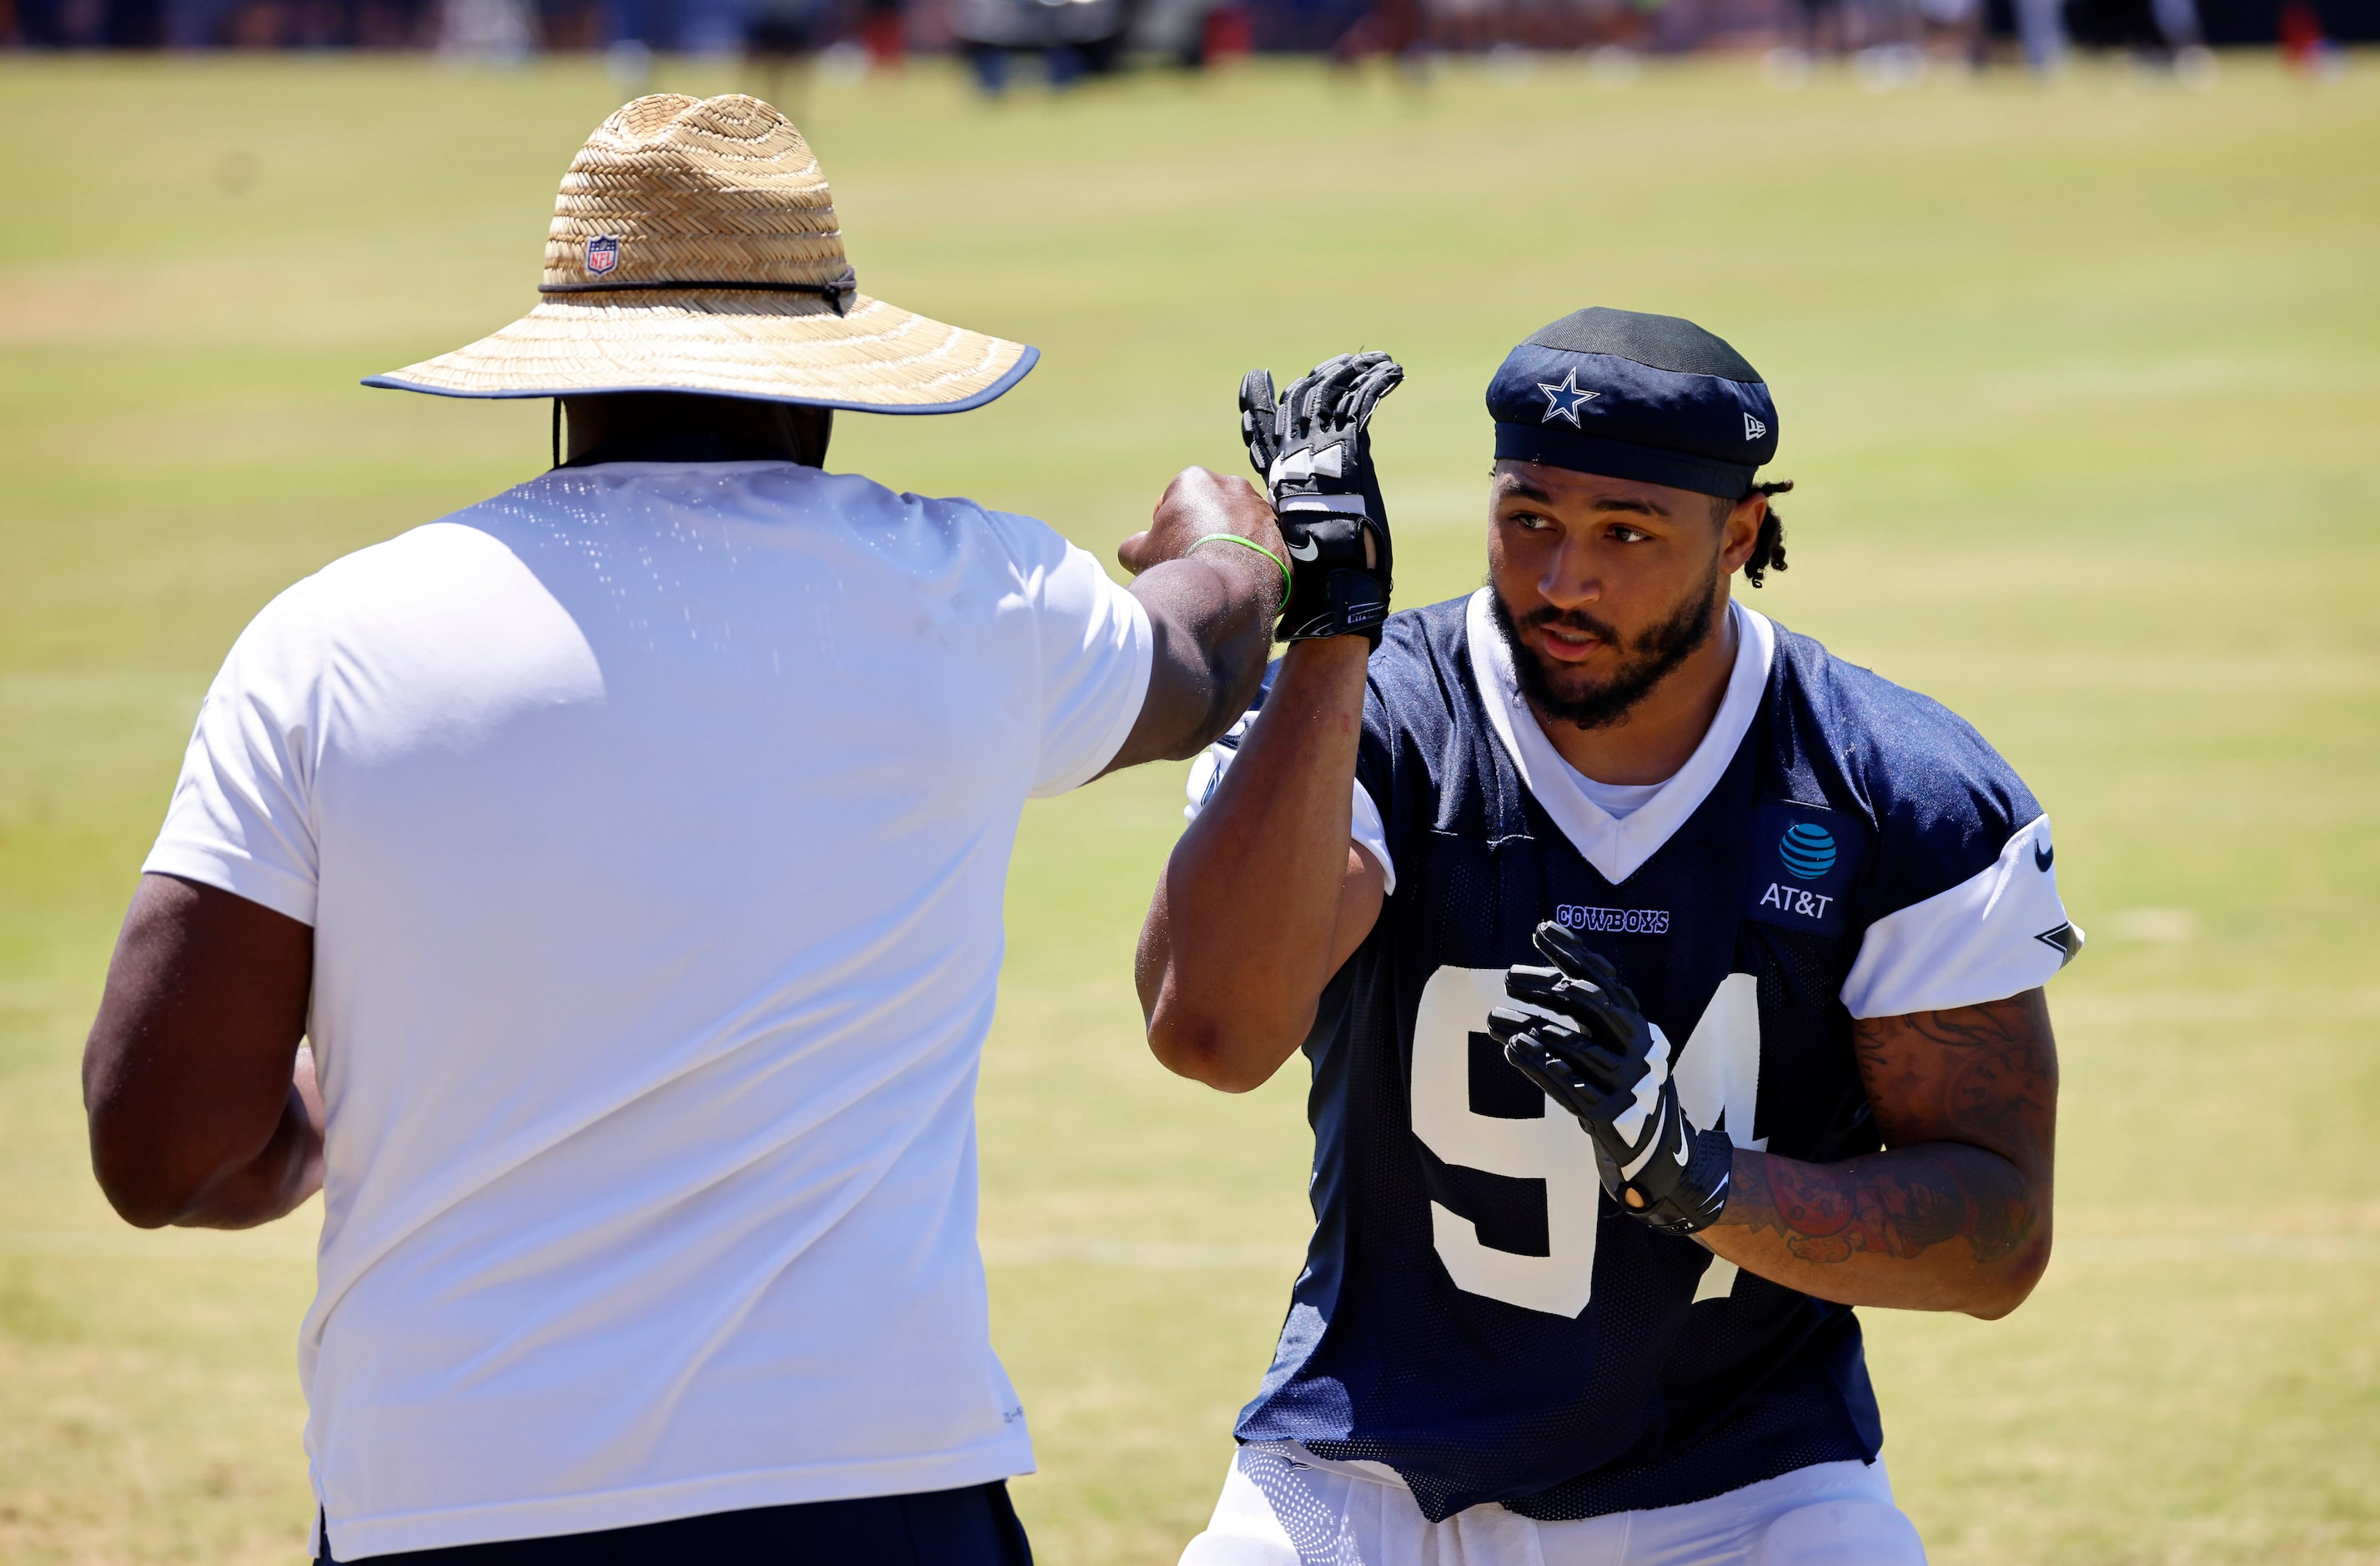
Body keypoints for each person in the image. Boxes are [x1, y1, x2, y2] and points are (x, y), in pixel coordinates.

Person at [80, 93, 1286, 1565]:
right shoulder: (963, 597)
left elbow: (160, 1147)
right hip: (871, 1485)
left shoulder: (329, 637)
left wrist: (332, 1118)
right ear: (828, 379)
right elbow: (1206, 662)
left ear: (562, 382)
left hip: (443, 1494)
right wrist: (1224, 531)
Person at [1141, 309, 2080, 1563]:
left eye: (1624, 533)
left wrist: (1697, 1180)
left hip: (1748, 1484)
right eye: (1527, 517)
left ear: (1739, 534)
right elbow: (1210, 1030)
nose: (1561, 580)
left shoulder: (1887, 784)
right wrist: (1329, 636)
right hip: (1362, 1474)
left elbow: (1995, 1236)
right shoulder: (1367, 714)